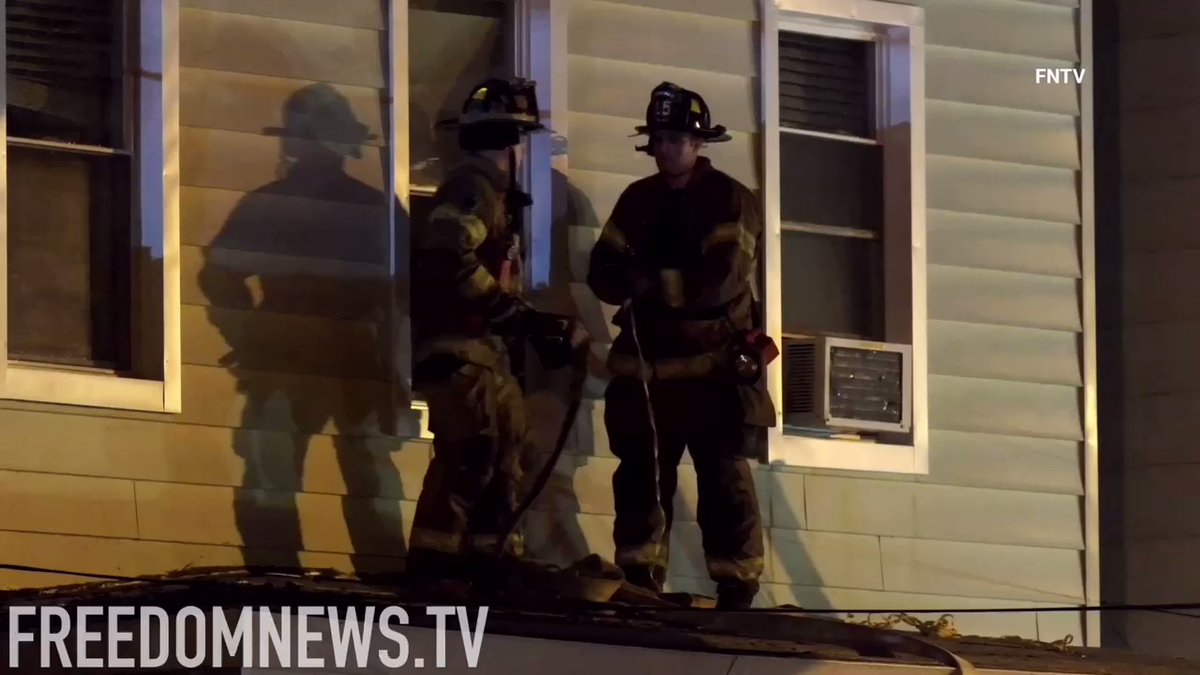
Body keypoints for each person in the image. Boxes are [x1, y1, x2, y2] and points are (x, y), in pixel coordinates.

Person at [586, 81, 776, 610]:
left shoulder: (729, 200)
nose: (667, 148)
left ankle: (736, 587)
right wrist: (648, 280)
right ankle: (640, 580)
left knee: (722, 479)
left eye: (677, 138)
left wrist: (648, 282)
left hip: (711, 374)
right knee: (642, 479)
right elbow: (602, 273)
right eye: (660, 138)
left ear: (699, 143)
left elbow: (720, 282)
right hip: (645, 375)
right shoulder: (638, 200)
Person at [406, 78, 586, 582]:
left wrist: (530, 324)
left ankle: (492, 559)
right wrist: (514, 315)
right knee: (472, 452)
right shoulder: (473, 188)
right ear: (513, 142)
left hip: (487, 353)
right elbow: (448, 250)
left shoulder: (494, 196)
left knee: (504, 452)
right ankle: (435, 565)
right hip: (461, 350)